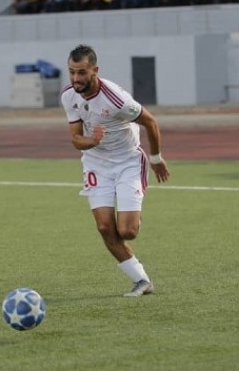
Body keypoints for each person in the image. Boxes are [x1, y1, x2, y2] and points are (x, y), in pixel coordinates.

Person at [61, 44, 170, 298]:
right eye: (72, 72)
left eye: (81, 72)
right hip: (96, 164)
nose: (76, 78)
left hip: (127, 161)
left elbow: (150, 122)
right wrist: (93, 141)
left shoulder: (116, 100)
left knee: (127, 231)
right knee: (104, 227)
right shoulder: (69, 96)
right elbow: (76, 139)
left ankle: (132, 215)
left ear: (95, 70)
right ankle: (141, 280)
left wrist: (156, 158)